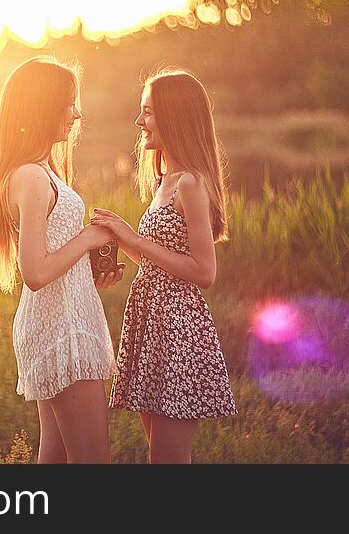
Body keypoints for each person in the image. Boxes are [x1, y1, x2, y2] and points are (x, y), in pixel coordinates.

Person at [90, 69, 237, 464]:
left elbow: (204, 272)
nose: (140, 122)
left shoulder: (191, 182)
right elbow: (160, 261)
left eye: (148, 112)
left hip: (178, 329)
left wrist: (132, 238)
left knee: (168, 460)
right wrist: (119, 241)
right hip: (149, 322)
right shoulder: (163, 180)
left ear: (175, 116)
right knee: (161, 457)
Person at [0, 56, 123, 463]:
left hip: (62, 318)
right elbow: (35, 272)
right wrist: (87, 239)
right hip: (58, 328)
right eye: (68, 103)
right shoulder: (29, 176)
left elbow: (50, 257)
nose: (77, 113)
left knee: (57, 459)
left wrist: (87, 272)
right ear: (41, 107)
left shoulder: (42, 169)